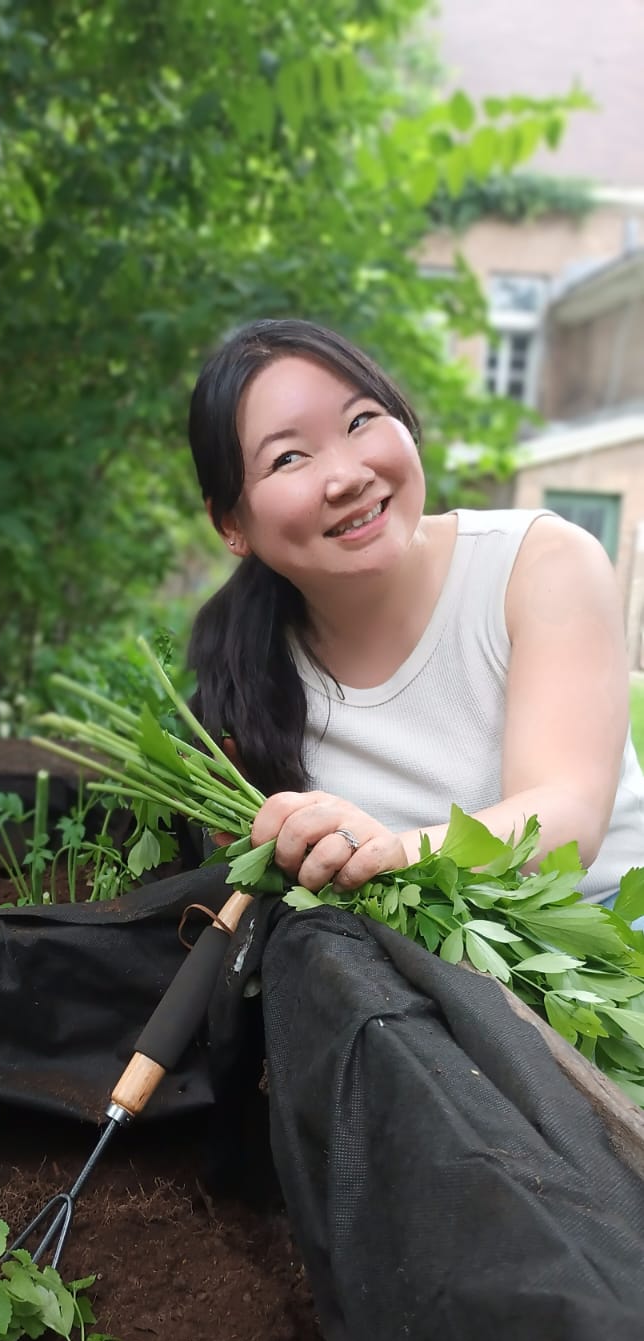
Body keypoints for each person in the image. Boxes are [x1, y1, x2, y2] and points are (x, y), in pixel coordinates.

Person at [186, 317, 644, 906]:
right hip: (398, 967)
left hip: (608, 937)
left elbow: (563, 821)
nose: (347, 477)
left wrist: (391, 854)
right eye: (290, 457)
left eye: (360, 421)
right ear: (230, 524)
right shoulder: (242, 669)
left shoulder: (541, 563)